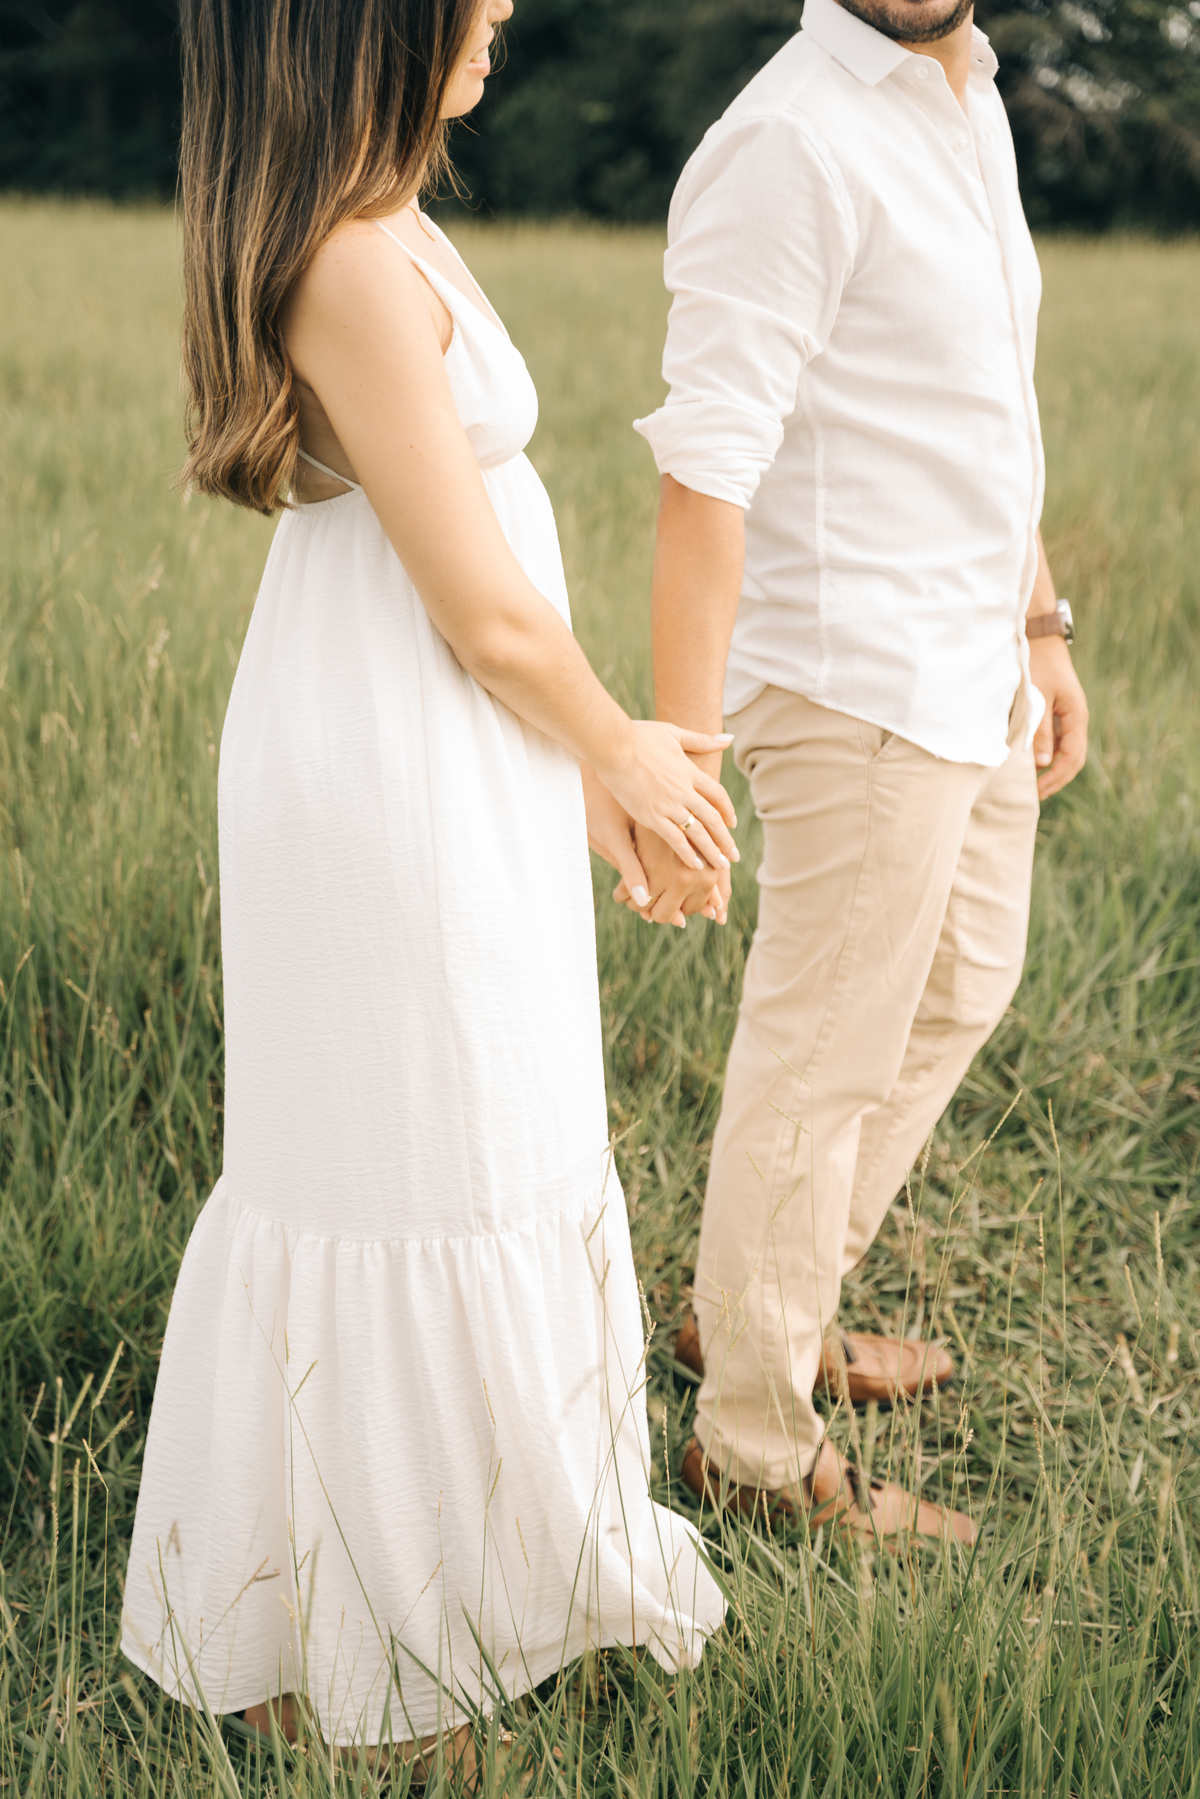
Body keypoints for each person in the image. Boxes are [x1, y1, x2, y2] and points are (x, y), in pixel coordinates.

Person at [120, 0, 731, 1768]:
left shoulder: (393, 216)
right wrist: (622, 748)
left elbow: (486, 596)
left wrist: (584, 773)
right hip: (394, 748)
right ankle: (369, 1639)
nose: (501, 9)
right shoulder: (345, 260)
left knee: (491, 1122)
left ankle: (501, 1573)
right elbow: (475, 607)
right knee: (409, 1152)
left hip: (455, 740)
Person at [622, 0, 1088, 1541]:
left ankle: (763, 1304)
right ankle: (751, 1441)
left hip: (972, 661)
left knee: (966, 981)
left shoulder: (968, 100)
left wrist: (1041, 624)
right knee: (820, 1058)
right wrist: (678, 764)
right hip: (850, 682)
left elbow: (985, 413)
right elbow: (706, 471)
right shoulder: (786, 141)